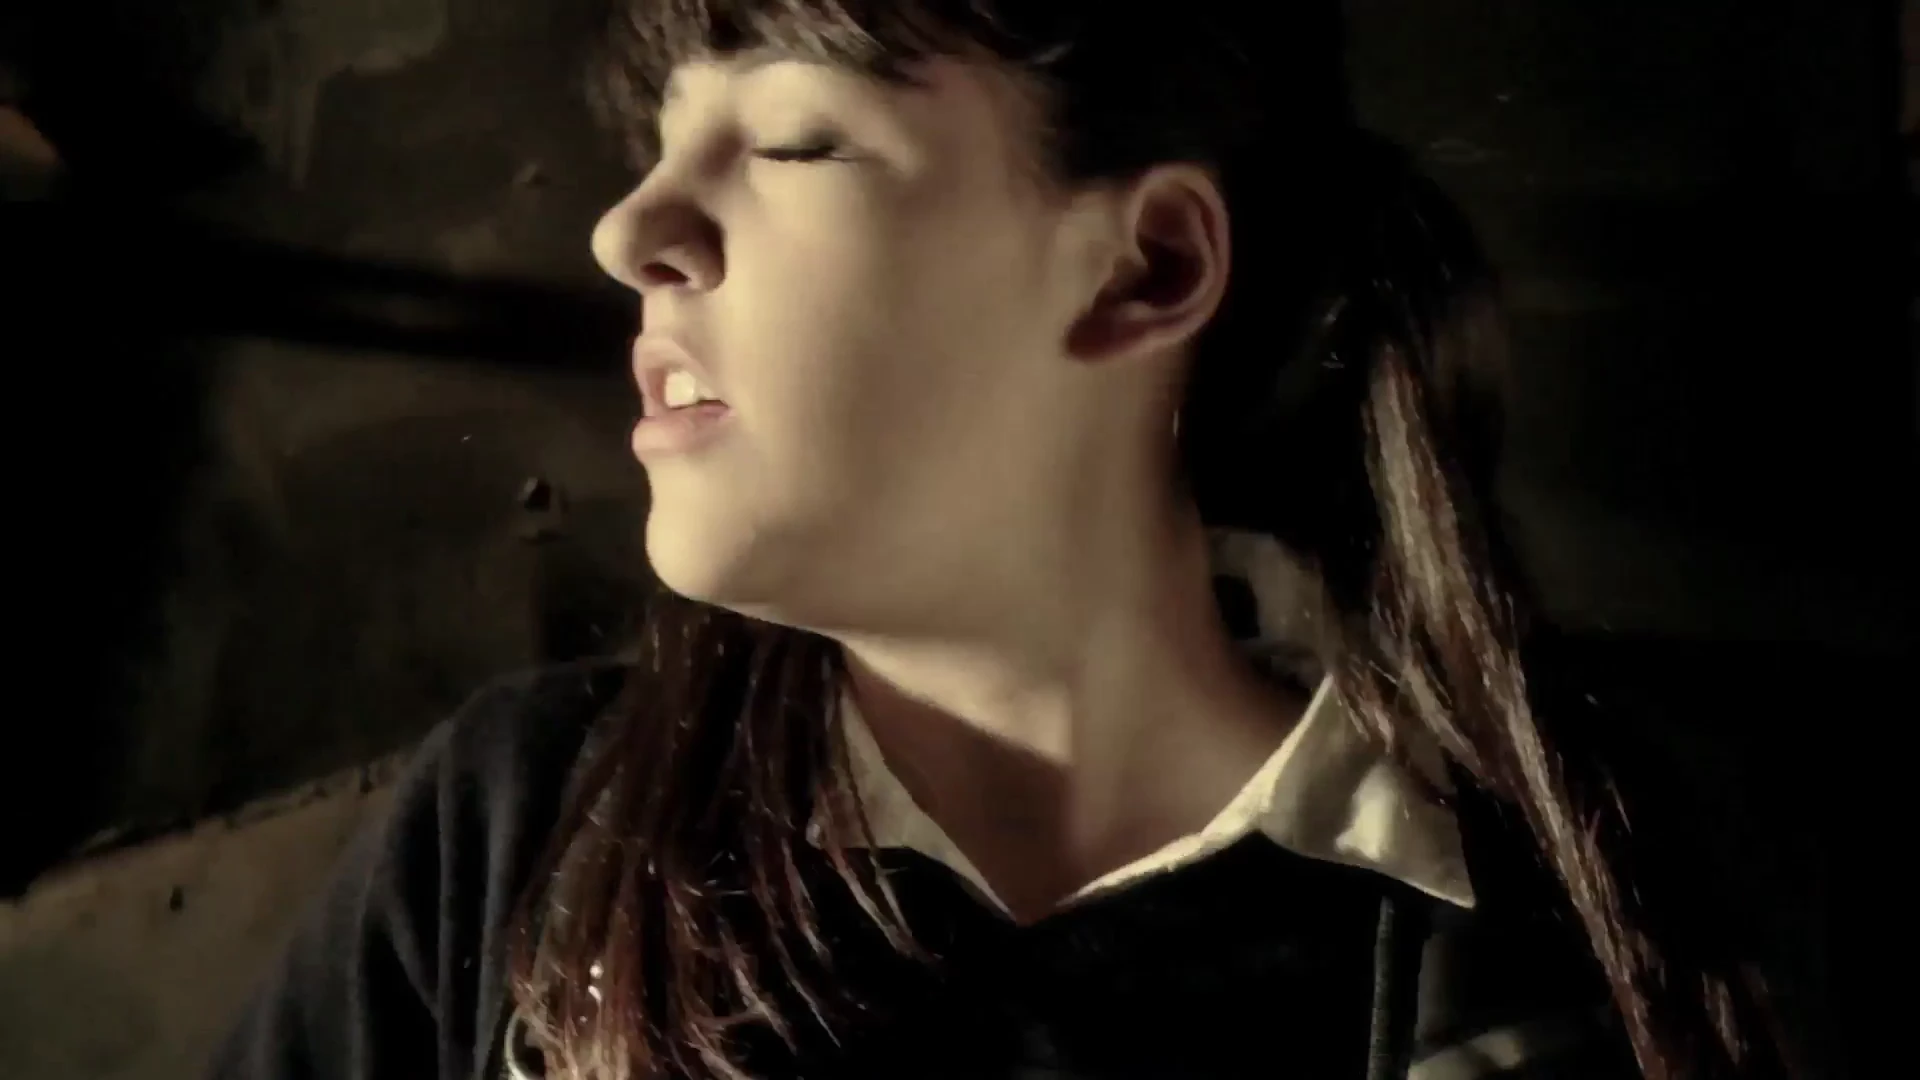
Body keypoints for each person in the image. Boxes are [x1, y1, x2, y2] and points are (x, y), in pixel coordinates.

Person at [209, 2, 1796, 1078]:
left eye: (794, 139)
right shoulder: (521, 837)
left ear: (1144, 267)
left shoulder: (1578, 934)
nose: (631, 230)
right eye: (662, 141)